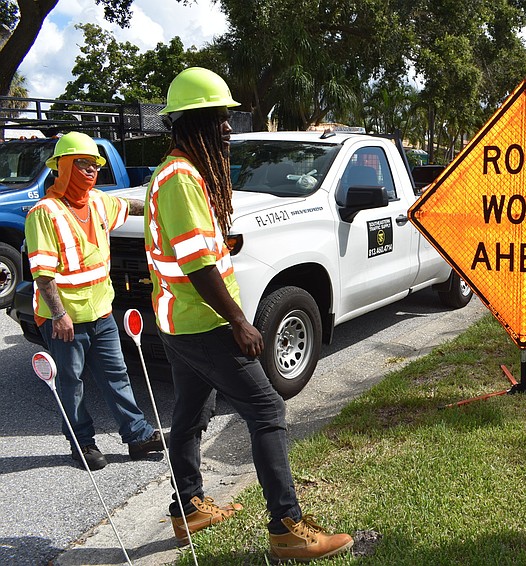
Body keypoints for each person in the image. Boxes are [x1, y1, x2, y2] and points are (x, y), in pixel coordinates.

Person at [145, 67, 354, 560]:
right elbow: (197, 261)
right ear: (191, 122)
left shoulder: (185, 173)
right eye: (218, 117)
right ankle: (286, 526)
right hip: (205, 324)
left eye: (227, 117)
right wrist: (239, 321)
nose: (227, 128)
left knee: (191, 415)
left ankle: (188, 508)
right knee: (266, 410)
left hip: (181, 323)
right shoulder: (180, 178)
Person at [24, 131, 166, 471]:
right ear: (63, 167)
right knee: (71, 384)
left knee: (116, 375)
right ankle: (82, 443)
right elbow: (43, 273)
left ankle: (138, 435)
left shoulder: (98, 201)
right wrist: (58, 315)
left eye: (95, 165)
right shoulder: (45, 212)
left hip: (101, 312)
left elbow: (129, 205)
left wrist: (160, 201)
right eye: (83, 164)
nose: (91, 171)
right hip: (65, 320)